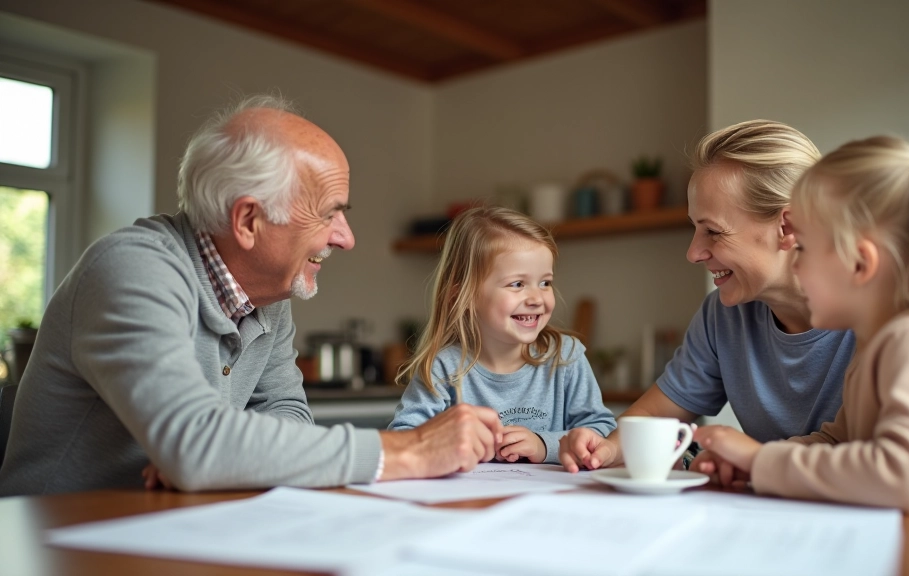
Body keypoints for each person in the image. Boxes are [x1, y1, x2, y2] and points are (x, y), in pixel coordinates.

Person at [0, 95, 503, 496]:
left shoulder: (268, 298)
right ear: (247, 221)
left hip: (172, 529)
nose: (346, 238)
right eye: (329, 213)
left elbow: (288, 415)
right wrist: (410, 450)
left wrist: (221, 457)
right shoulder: (132, 268)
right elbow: (195, 445)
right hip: (54, 544)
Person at [693, 136, 909, 513]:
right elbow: (839, 444)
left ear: (860, 264)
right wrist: (752, 464)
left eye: (807, 251)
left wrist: (761, 461)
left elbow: (904, 478)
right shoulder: (879, 344)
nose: (796, 267)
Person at [560, 120, 856, 476]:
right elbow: (653, 416)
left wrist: (751, 460)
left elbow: (879, 453)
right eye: (694, 229)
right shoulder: (724, 315)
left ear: (787, 228)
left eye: (713, 232)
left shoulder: (881, 315)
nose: (694, 253)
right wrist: (606, 449)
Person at [389, 206, 616, 464]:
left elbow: (602, 431)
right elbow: (403, 437)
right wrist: (452, 444)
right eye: (517, 284)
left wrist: (544, 445)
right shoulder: (443, 367)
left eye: (545, 283)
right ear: (464, 294)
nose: (536, 298)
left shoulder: (566, 357)